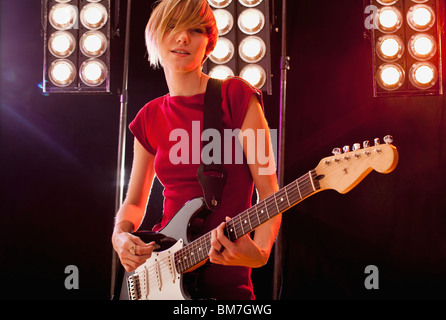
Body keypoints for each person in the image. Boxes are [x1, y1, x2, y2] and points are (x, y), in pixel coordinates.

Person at [112, 0, 281, 300]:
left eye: (195, 29)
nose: (183, 37)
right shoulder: (148, 117)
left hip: (229, 291)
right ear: (155, 36)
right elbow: (135, 202)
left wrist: (261, 253)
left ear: (209, 42)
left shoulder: (238, 98)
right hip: (159, 276)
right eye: (174, 27)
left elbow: (269, 192)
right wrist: (120, 236)